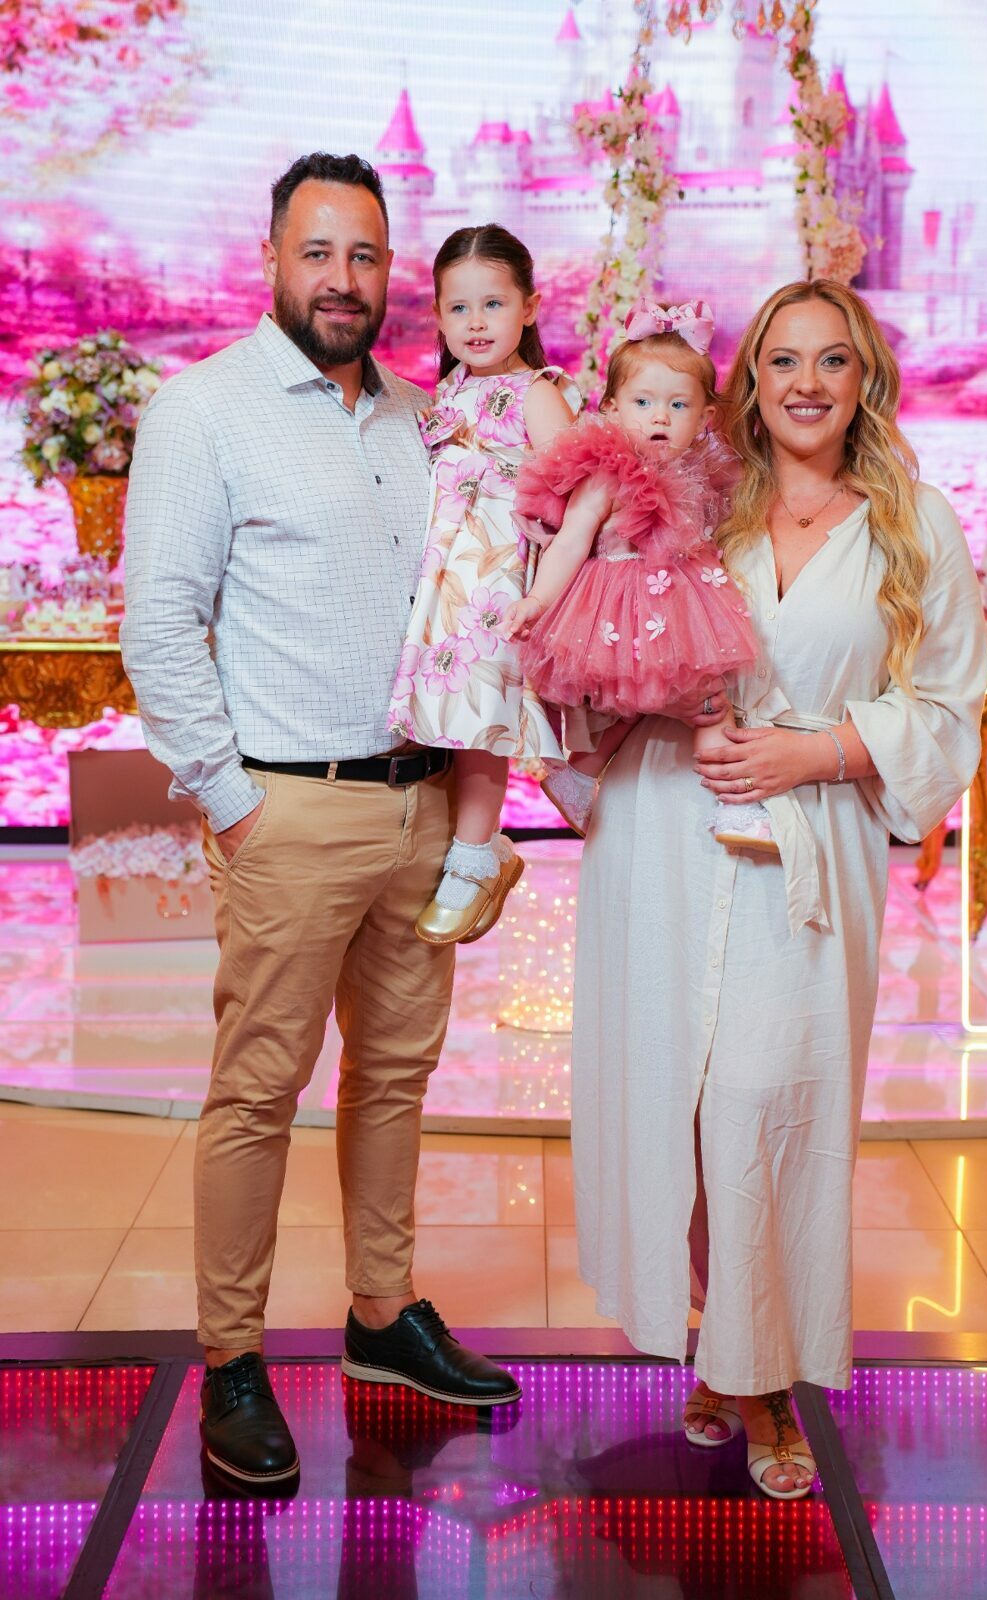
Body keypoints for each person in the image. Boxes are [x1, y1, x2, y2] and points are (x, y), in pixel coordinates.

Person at [120, 152, 521, 1491]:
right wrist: (234, 804)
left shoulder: (423, 420)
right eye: (318, 252)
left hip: (419, 805)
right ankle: (231, 1357)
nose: (342, 279)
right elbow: (158, 626)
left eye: (363, 255)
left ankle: (380, 1315)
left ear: (389, 268)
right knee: (257, 1091)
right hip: (285, 810)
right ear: (271, 260)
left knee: (394, 1078)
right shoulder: (206, 409)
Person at [570, 278, 987, 1498]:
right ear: (747, 381)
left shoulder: (913, 524)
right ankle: (725, 1345)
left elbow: (946, 706)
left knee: (766, 1098)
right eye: (782, 360)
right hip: (665, 826)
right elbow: (603, 636)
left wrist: (817, 752)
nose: (806, 383)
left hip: (811, 841)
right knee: (685, 1108)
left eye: (831, 360)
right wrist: (668, 698)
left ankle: (759, 1377)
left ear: (864, 379)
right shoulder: (697, 502)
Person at [500, 296, 771, 854]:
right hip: (620, 603)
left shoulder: (704, 473)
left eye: (678, 405)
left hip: (678, 601)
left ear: (705, 418)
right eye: (643, 402)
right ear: (613, 407)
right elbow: (571, 540)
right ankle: (735, 802)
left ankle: (580, 774)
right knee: (708, 701)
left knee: (644, 702)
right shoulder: (608, 472)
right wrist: (538, 601)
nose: (659, 417)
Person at [387, 224, 580, 946]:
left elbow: (580, 491)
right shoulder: (446, 393)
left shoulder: (536, 393)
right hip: (445, 577)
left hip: (501, 576)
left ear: (529, 307)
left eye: (493, 304)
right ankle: (466, 843)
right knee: (445, 713)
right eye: (458, 308)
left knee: (482, 715)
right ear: (437, 317)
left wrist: (543, 515)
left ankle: (474, 853)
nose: (475, 323)